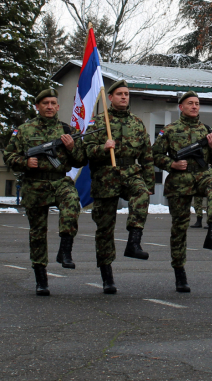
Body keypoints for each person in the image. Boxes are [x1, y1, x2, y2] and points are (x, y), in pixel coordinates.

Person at [3, 89, 86, 296]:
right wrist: (24, 162)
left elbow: (81, 160)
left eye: (53, 103)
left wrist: (72, 146)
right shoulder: (24, 130)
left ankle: (65, 251)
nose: (49, 106)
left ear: (58, 107)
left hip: (60, 181)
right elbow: (8, 156)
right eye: (45, 103)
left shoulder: (67, 130)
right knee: (37, 233)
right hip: (35, 184)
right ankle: (41, 278)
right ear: (37, 106)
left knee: (72, 205)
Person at [82, 80, 155, 294]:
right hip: (106, 175)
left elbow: (147, 156)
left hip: (130, 172)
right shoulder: (98, 123)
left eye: (127, 94)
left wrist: (149, 183)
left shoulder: (137, 123)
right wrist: (103, 148)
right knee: (104, 228)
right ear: (110, 97)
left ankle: (134, 242)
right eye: (120, 94)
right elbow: (85, 151)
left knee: (141, 194)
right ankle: (107, 274)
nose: (124, 97)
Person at [152, 91, 212, 293]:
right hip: (179, 181)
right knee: (179, 227)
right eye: (190, 103)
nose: (194, 106)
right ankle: (179, 271)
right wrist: (172, 163)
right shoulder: (169, 130)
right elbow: (155, 155)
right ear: (181, 107)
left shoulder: (207, 130)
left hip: (201, 175)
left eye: (197, 103)